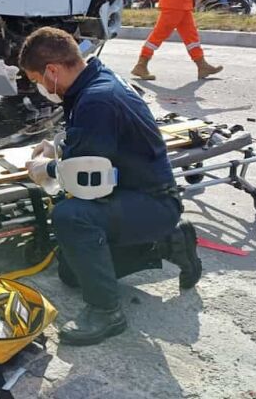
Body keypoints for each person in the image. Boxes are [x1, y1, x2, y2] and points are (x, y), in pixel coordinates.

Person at [21, 27, 202, 346]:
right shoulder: (94, 81)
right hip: (135, 195)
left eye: (37, 80)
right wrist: (58, 145)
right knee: (71, 273)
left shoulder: (97, 100)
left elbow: (84, 178)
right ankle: (169, 244)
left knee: (70, 216)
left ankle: (106, 312)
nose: (41, 88)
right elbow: (96, 144)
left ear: (52, 70)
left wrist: (45, 168)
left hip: (150, 203)